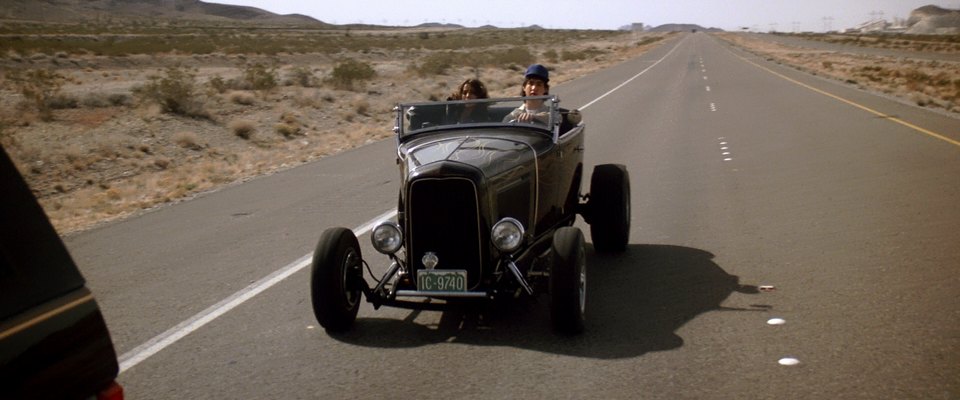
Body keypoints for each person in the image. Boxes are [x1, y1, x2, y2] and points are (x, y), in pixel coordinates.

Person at [503, 64, 581, 129]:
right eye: (531, 83)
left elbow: (555, 121)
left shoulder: (554, 116)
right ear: (524, 87)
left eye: (539, 84)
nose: (534, 88)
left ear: (545, 89)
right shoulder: (512, 116)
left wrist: (533, 117)